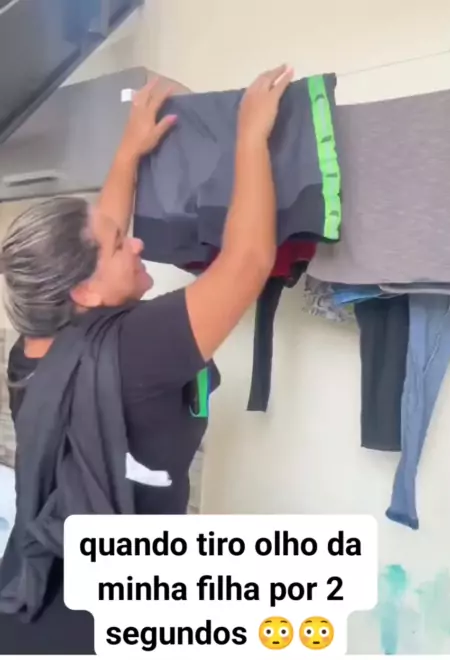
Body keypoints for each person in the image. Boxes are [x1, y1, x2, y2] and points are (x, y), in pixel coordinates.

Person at [0, 64, 293, 654]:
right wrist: (250, 136)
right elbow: (248, 262)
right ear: (84, 291)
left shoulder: (34, 347)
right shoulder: (133, 349)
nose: (135, 241)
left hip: (29, 588)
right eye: (120, 246)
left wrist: (129, 152)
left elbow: (98, 237)